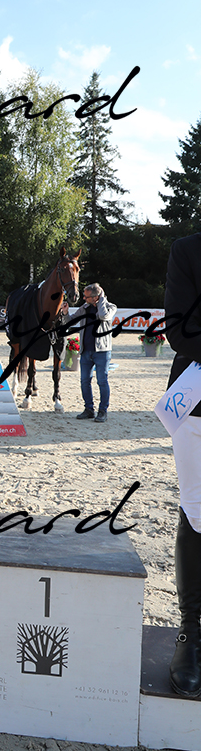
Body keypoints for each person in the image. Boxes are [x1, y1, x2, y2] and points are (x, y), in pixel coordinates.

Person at [163, 232, 201, 696]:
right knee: (198, 511)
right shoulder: (188, 250)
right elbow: (180, 331)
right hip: (198, 402)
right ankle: (191, 632)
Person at [70, 283, 116, 422]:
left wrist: (101, 300)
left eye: (87, 296)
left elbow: (103, 316)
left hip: (102, 351)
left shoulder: (110, 307)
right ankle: (89, 409)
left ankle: (103, 411)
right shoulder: (84, 308)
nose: (84, 298)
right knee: (85, 381)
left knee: (102, 381)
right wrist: (65, 313)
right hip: (85, 351)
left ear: (96, 297)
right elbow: (70, 321)